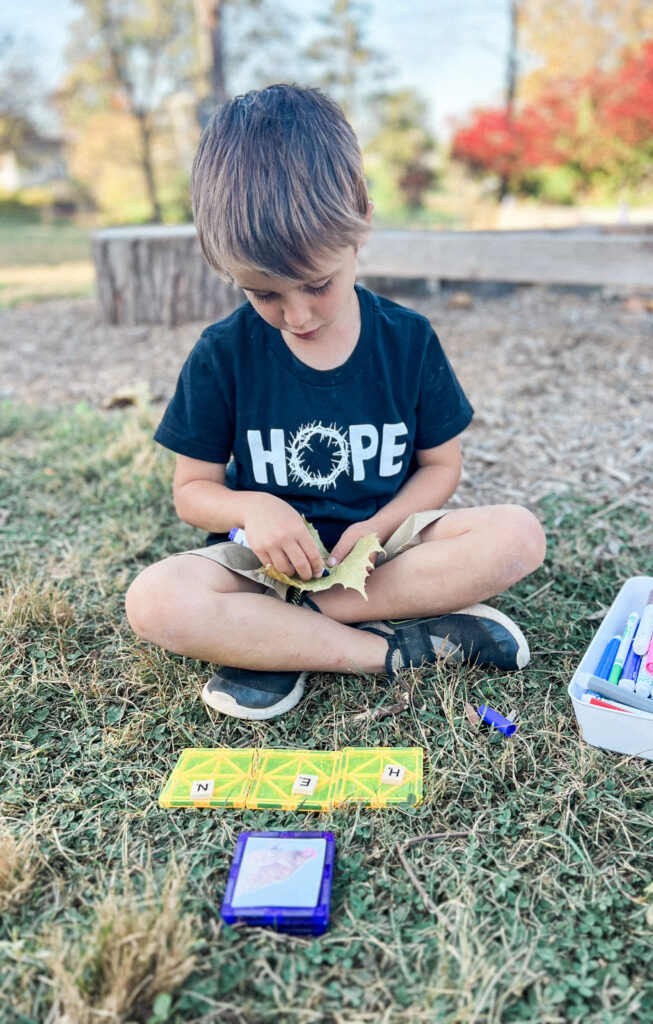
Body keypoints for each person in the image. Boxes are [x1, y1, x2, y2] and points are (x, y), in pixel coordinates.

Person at [125, 84, 546, 721]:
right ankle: (386, 651)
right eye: (262, 295)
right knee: (154, 600)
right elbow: (193, 491)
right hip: (261, 562)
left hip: (381, 555)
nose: (295, 316)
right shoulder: (221, 353)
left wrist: (377, 528)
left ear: (361, 222)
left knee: (517, 535)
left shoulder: (407, 340)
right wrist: (253, 508)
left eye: (317, 284)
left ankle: (274, 636)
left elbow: (441, 466)